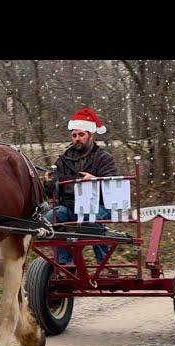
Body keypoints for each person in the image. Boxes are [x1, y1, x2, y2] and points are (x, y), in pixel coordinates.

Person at [43, 107, 117, 266]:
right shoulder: (63, 160)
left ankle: (104, 263)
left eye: (81, 135)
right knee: (52, 218)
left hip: (99, 205)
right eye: (74, 135)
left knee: (91, 219)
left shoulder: (104, 158)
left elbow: (113, 187)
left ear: (91, 135)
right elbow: (53, 193)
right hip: (70, 206)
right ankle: (66, 263)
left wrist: (95, 180)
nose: (77, 138)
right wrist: (49, 183)